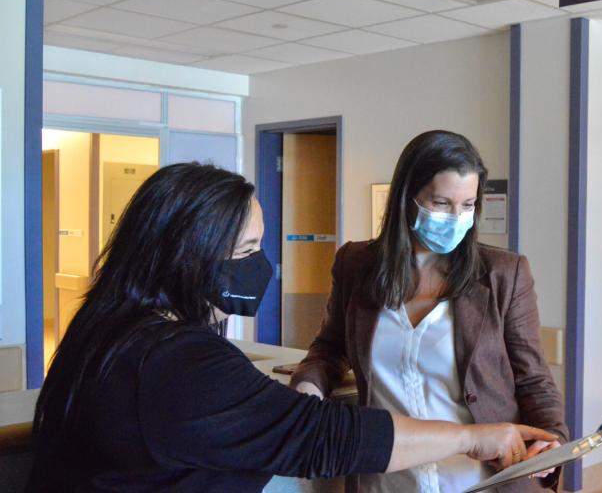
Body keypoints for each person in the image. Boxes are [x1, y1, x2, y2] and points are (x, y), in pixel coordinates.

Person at [28, 162, 556, 492]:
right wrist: (474, 436)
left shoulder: (108, 326)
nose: (262, 266)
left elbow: (531, 376)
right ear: (187, 257)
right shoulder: (177, 360)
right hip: (396, 472)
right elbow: (324, 436)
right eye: (247, 250)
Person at [291, 131, 568, 493]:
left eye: (467, 205)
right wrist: (307, 389)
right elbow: (330, 347)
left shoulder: (503, 273)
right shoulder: (356, 264)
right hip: (386, 477)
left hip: (478, 479)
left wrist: (553, 441)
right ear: (408, 198)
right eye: (441, 203)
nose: (456, 217)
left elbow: (532, 378)